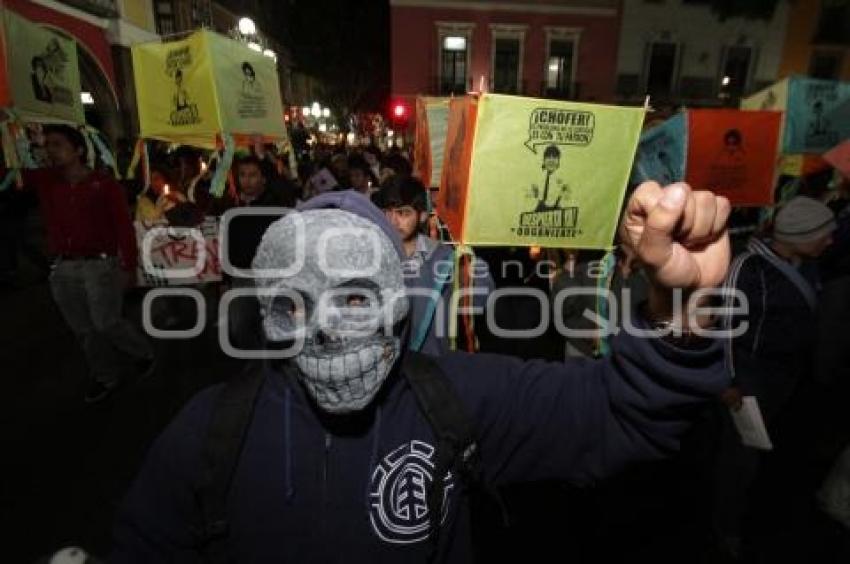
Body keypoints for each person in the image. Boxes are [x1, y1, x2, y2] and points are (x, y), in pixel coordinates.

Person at [112, 182, 734, 562]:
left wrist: (682, 307)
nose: (327, 328)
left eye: (355, 298)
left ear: (395, 303)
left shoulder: (455, 398)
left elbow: (614, 413)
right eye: (294, 305)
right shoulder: (208, 433)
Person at [714, 195, 837, 558]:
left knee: (769, 449)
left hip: (786, 374)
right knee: (740, 457)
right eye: (823, 234)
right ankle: (725, 528)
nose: (830, 241)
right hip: (750, 377)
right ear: (799, 235)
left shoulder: (807, 263)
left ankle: (759, 512)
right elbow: (724, 326)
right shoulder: (749, 268)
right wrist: (728, 381)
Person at [25, 125, 154, 403]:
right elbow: (20, 170)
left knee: (106, 322)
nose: (51, 150)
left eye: (58, 144)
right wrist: (28, 142)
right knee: (83, 329)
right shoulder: (48, 182)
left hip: (99, 266)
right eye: (48, 145)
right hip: (64, 268)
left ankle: (142, 352)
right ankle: (105, 376)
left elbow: (123, 227)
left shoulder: (103, 184)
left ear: (79, 150)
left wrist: (128, 266)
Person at [374, 175, 493, 354]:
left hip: (431, 362)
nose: (393, 221)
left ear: (422, 215)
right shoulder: (371, 255)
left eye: (403, 213)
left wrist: (465, 273)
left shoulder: (444, 257)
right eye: (387, 212)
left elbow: (477, 302)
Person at [223, 155, 292, 349]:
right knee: (239, 327)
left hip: (270, 276)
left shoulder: (274, 203)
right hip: (241, 276)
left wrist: (264, 157)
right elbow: (226, 242)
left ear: (263, 178)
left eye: (253, 175)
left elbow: (287, 191)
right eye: (243, 175)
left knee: (272, 329)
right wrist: (224, 278)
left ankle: (269, 370)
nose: (247, 180)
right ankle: (254, 365)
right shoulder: (232, 204)